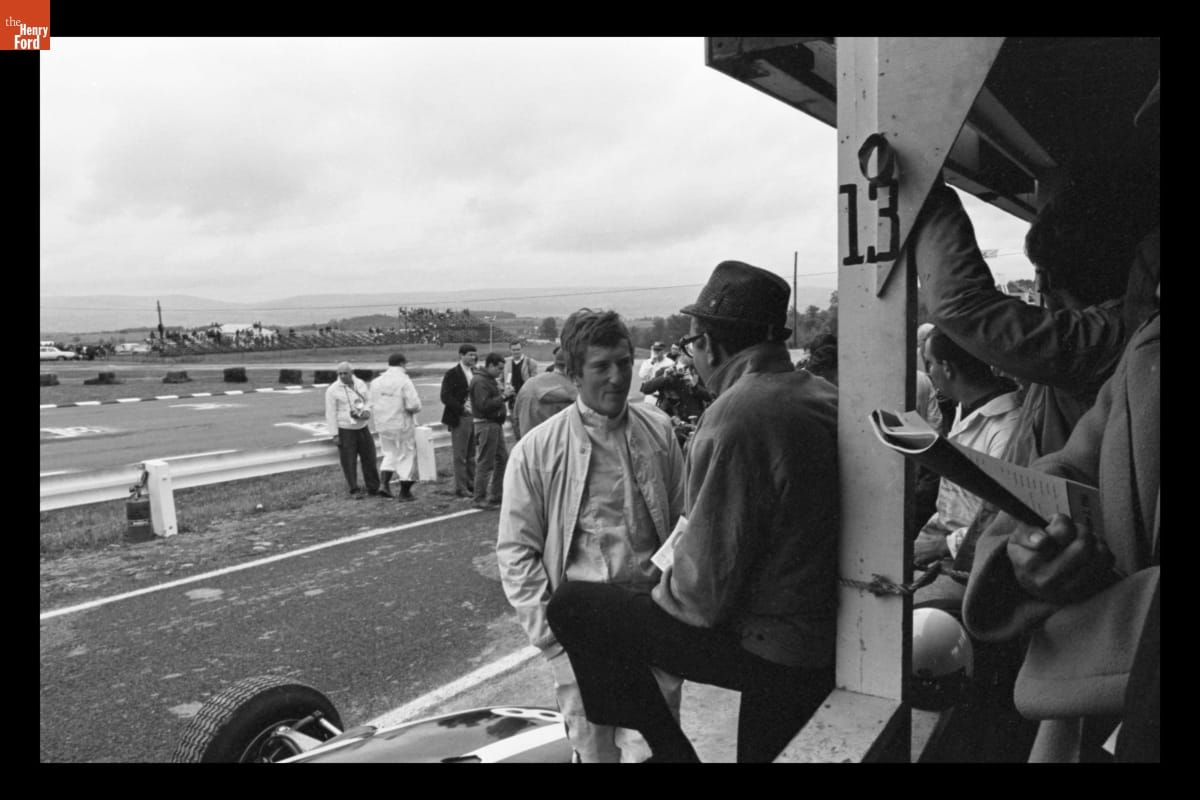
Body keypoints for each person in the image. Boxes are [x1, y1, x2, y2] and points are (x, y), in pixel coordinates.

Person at [546, 261, 840, 762]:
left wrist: (650, 593)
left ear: (709, 343)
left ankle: (670, 753)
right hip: (821, 626)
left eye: (691, 345)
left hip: (772, 643)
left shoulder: (735, 415)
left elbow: (701, 593)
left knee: (575, 607)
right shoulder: (822, 394)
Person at [961, 73, 1160, 765]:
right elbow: (1074, 467)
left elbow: (970, 313)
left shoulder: (1096, 339)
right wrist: (1027, 556)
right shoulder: (1145, 348)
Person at [497, 308, 685, 762]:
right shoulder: (536, 451)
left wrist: (678, 614)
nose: (618, 377)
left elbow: (684, 525)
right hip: (581, 637)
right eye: (602, 366)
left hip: (652, 624)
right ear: (573, 373)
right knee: (595, 752)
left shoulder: (659, 431)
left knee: (655, 753)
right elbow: (517, 552)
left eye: (624, 362)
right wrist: (552, 641)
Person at [912, 328, 1021, 580]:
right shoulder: (966, 406)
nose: (929, 373)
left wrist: (943, 546)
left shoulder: (1006, 428)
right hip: (943, 532)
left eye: (929, 364)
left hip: (971, 554)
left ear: (947, 368)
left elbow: (1000, 518)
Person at [368, 352, 422, 502]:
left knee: (389, 453)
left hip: (383, 425)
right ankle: (405, 491)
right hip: (401, 424)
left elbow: (371, 403)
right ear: (402, 364)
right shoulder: (404, 380)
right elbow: (414, 405)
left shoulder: (376, 382)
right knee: (406, 455)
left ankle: (384, 484)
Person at [325, 361, 381, 498]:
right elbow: (330, 413)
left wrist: (367, 411)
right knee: (349, 461)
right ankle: (354, 490)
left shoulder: (360, 383)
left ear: (351, 373)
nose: (342, 376)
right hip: (345, 429)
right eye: (340, 373)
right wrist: (334, 434)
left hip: (362, 426)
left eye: (345, 373)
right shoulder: (333, 390)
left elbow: (369, 400)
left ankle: (373, 487)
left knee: (370, 458)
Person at [638, 352, 713, 449]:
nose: (682, 372)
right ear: (675, 363)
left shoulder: (696, 374)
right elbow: (645, 389)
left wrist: (694, 386)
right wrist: (664, 378)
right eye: (680, 368)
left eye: (686, 369)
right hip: (672, 421)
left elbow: (709, 396)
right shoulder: (664, 372)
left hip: (695, 421)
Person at [511, 345, 577, 441]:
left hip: (527, 446)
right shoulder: (573, 391)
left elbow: (515, 418)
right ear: (569, 368)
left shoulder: (529, 384)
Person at [470, 352, 508, 510]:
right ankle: (479, 497)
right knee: (486, 462)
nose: (500, 372)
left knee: (502, 459)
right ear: (490, 365)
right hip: (486, 424)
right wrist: (503, 397)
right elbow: (483, 405)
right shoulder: (480, 381)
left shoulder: (488, 380)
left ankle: (496, 494)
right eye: (499, 368)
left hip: (494, 424)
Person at [440, 344, 478, 498]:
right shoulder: (452, 373)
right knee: (460, 455)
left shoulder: (476, 372)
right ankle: (461, 487)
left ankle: (471, 483)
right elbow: (445, 396)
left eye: (474, 355)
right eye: (469, 354)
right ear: (461, 355)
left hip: (475, 417)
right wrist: (462, 409)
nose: (473, 357)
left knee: (471, 454)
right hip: (460, 417)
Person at [500, 340, 539, 415]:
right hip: (511, 397)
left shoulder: (530, 362)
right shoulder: (505, 362)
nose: (516, 352)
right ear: (510, 350)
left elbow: (535, 381)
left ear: (522, 349)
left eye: (518, 349)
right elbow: (500, 379)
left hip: (525, 396)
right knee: (513, 419)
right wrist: (504, 390)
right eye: (514, 350)